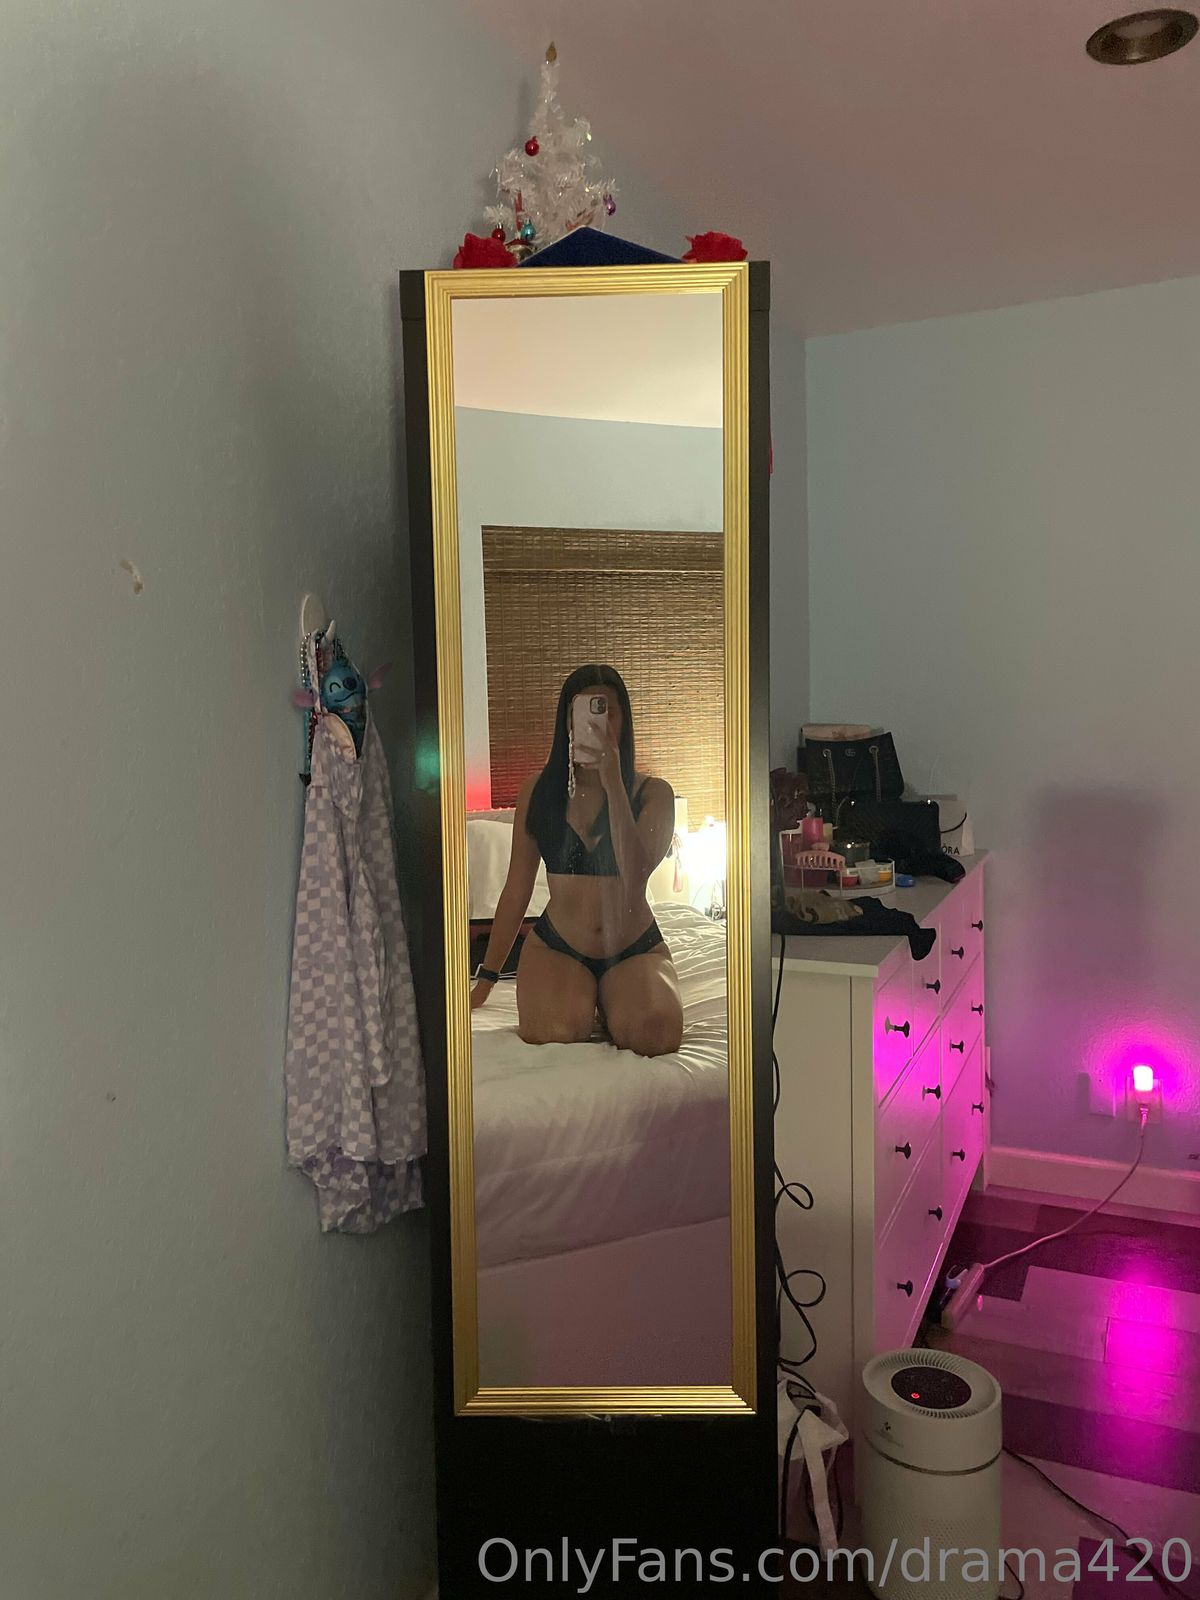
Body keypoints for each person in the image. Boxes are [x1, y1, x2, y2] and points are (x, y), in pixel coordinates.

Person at [470, 664, 683, 1058]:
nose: (593, 724)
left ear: (623, 720)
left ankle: (615, 998)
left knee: (656, 1035)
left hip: (633, 946)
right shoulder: (539, 792)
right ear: (566, 722)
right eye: (580, 712)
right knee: (556, 1032)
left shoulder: (653, 794)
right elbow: (517, 888)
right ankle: (592, 999)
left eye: (605, 711)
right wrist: (487, 978)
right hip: (559, 946)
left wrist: (613, 783)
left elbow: (635, 874)